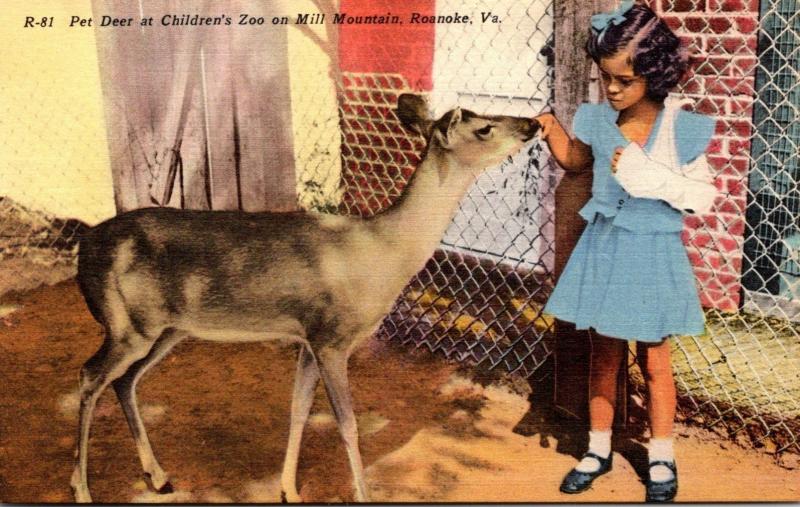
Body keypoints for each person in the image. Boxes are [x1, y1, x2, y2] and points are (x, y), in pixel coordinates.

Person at [535, 1, 718, 502]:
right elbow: (577, 161)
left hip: (653, 254)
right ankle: (598, 449)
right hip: (606, 250)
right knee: (604, 356)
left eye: (625, 80)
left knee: (655, 360)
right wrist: (553, 130)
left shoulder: (681, 127)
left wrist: (649, 176)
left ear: (654, 77)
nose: (612, 89)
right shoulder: (596, 118)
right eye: (604, 78)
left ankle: (661, 455)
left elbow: (703, 197)